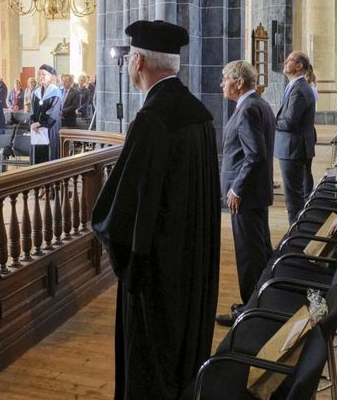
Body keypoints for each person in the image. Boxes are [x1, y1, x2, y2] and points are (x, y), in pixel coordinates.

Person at [91, 20, 220, 400]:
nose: (130, 63)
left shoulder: (152, 120)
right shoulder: (199, 115)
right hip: (193, 265)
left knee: (152, 369)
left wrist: (107, 229)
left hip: (158, 277)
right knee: (185, 362)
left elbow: (121, 212)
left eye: (131, 57)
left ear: (140, 61)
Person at [216, 60, 276, 327]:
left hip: (246, 196)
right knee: (260, 251)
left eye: (225, 79)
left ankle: (250, 313)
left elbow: (255, 155)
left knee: (249, 256)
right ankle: (262, 305)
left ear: (239, 83)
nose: (222, 84)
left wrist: (236, 188)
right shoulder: (259, 104)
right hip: (256, 193)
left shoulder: (249, 109)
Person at [275, 51, 317, 224]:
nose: (285, 61)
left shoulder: (299, 89)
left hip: (292, 148)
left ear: (299, 66)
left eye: (289, 60)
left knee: (293, 198)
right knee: (298, 194)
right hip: (297, 145)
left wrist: (271, 121)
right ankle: (299, 232)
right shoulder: (296, 86)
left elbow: (290, 123)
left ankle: (296, 237)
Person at [30, 65, 64, 162]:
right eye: (39, 74)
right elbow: (32, 110)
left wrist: (40, 123)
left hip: (50, 128)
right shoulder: (35, 92)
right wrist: (33, 123)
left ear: (51, 77)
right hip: (37, 129)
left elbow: (53, 112)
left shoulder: (56, 92)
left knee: (49, 156)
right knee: (37, 156)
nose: (41, 77)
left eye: (44, 74)